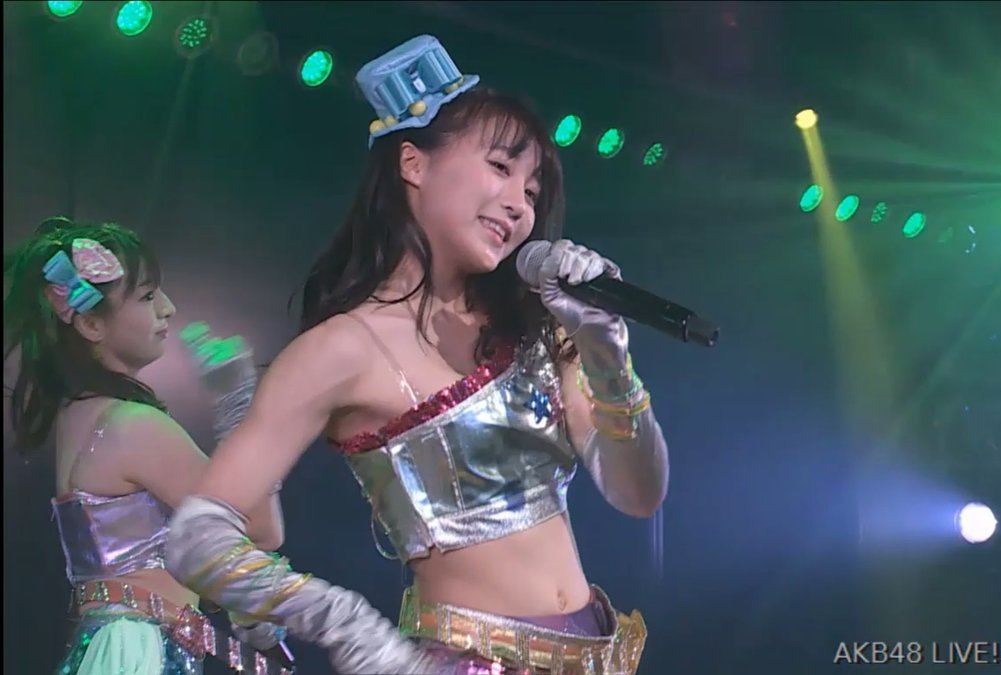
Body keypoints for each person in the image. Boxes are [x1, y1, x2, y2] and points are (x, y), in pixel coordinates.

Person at [165, 35, 669, 674]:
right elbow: (198, 539)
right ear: (413, 164)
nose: (520, 205)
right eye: (500, 167)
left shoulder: (537, 323)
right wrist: (344, 622)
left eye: (533, 191)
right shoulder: (341, 348)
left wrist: (608, 353)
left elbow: (638, 493)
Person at [3, 217, 290, 675]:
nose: (168, 308)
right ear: (91, 324)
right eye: (147, 296)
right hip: (143, 648)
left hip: (116, 641)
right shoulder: (132, 426)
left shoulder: (78, 416)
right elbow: (260, 529)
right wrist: (241, 408)